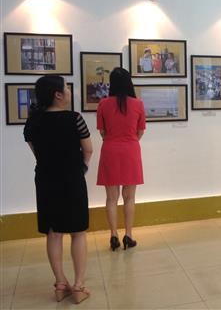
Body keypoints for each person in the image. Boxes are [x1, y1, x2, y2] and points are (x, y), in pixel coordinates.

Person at [23, 76, 93, 304]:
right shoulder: (74, 119)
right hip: (72, 179)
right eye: (67, 88)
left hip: (45, 180)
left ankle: (60, 283)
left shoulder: (33, 122)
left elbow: (37, 152)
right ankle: (79, 286)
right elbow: (88, 150)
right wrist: (81, 168)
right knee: (78, 231)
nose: (70, 92)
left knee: (53, 232)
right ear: (58, 95)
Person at [96, 68, 146, 251]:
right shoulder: (138, 104)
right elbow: (140, 131)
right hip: (131, 150)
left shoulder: (103, 104)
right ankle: (128, 235)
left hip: (110, 150)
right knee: (129, 197)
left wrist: (112, 140)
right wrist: (129, 140)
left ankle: (113, 236)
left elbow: (102, 132)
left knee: (111, 198)